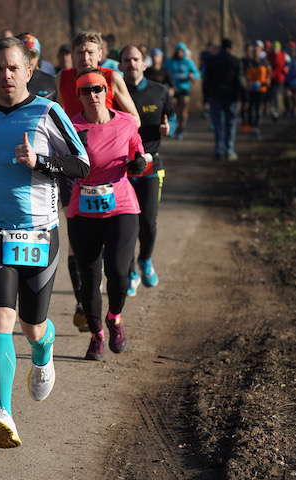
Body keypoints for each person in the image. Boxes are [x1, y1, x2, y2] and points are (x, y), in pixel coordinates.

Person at [0, 37, 89, 448]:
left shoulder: (47, 111)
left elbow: (82, 164)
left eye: (13, 68)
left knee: (33, 327)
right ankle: (3, 413)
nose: (6, 76)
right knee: (0, 321)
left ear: (28, 71)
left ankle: (43, 351)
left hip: (39, 233)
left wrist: (42, 163)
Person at [56, 30, 140, 331]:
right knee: (75, 243)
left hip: (109, 159)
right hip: (75, 161)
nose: (85, 58)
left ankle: (113, 287)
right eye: (80, 53)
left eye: (90, 52)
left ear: (100, 54)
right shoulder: (64, 77)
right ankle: (84, 300)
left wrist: (113, 133)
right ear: (72, 55)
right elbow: (59, 113)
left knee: (113, 258)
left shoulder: (111, 76)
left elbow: (135, 119)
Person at [66, 70, 145, 360]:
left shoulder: (125, 122)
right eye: (86, 91)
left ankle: (115, 317)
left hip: (121, 206)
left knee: (119, 273)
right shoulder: (70, 125)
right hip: (82, 209)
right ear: (78, 96)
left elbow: (139, 156)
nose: (93, 95)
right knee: (88, 277)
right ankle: (97, 335)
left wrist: (138, 164)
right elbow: (59, 162)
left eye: (98, 89)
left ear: (107, 92)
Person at [119, 44, 173, 297]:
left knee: (148, 223)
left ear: (144, 63)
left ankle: (145, 260)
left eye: (136, 59)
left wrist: (167, 127)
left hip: (151, 165)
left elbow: (169, 117)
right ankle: (130, 271)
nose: (131, 64)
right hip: (123, 167)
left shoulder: (159, 91)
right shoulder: (116, 93)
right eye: (127, 60)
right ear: (120, 65)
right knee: (127, 224)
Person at [203, 38, 244, 161]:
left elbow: (206, 82)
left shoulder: (211, 61)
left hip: (215, 96)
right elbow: (238, 82)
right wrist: (240, 98)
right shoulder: (236, 62)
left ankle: (219, 150)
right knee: (230, 124)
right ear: (231, 48)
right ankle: (229, 150)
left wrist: (205, 98)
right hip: (231, 97)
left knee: (218, 124)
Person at [164, 42, 200, 139]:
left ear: (184, 52)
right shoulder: (169, 62)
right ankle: (174, 128)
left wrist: (193, 76)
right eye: (178, 51)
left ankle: (181, 127)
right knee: (174, 109)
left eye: (181, 51)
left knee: (183, 110)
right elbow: (163, 72)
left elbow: (197, 73)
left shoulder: (188, 62)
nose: (179, 53)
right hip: (173, 89)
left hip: (184, 88)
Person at [17, 32, 56, 99]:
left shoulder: (52, 82)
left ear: (38, 57)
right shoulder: (7, 80)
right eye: (25, 53)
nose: (29, 58)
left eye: (33, 54)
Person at [243, 42, 270, 138]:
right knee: (250, 108)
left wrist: (265, 82)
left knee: (258, 108)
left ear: (260, 51)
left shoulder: (264, 62)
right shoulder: (249, 63)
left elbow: (268, 75)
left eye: (257, 50)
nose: (255, 52)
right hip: (251, 89)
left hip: (261, 89)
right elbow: (246, 75)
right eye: (254, 51)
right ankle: (250, 126)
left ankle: (256, 127)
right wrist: (248, 83)